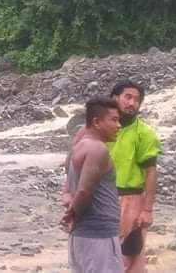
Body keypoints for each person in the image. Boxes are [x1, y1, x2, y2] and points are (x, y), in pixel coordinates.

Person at [62, 98, 123, 273]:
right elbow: (83, 191)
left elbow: (69, 179)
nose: (119, 125)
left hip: (81, 235)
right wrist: (73, 216)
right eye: (114, 120)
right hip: (99, 234)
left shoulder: (77, 145)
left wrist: (71, 211)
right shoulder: (98, 149)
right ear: (96, 122)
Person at [108, 80, 160, 273]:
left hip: (130, 200)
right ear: (115, 98)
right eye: (127, 97)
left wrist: (147, 209)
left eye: (137, 100)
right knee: (101, 253)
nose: (132, 103)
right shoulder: (102, 129)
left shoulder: (144, 133)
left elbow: (151, 171)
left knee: (130, 255)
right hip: (101, 198)